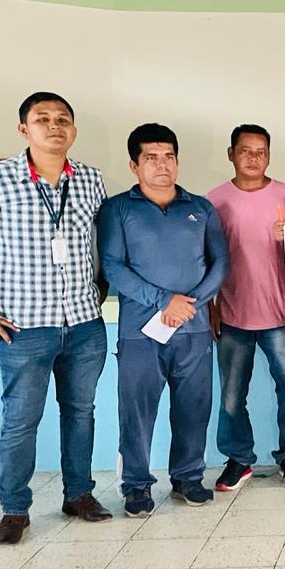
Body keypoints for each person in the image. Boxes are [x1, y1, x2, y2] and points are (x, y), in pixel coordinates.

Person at [0, 91, 112, 545]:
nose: (54, 126)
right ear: (24, 129)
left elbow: (102, 238)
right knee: (20, 421)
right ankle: (15, 509)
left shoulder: (91, 179)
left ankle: (79, 494)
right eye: (43, 119)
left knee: (81, 414)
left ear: (73, 130)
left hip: (84, 325)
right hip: (23, 328)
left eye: (63, 119)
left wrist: (100, 287)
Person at [99, 123, 229, 517]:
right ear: (134, 165)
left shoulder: (200, 208)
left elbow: (220, 262)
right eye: (151, 158)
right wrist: (163, 301)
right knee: (136, 412)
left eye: (169, 157)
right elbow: (112, 266)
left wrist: (192, 303)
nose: (162, 165)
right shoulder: (117, 209)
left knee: (193, 407)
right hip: (141, 332)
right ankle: (136, 485)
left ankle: (188, 478)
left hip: (194, 329)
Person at [207, 124, 285, 491]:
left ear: (269, 156)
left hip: (282, 314)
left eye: (261, 151)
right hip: (233, 314)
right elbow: (205, 258)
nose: (253, 158)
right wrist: (210, 305)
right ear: (231, 154)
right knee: (232, 395)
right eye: (245, 150)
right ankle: (239, 459)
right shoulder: (215, 200)